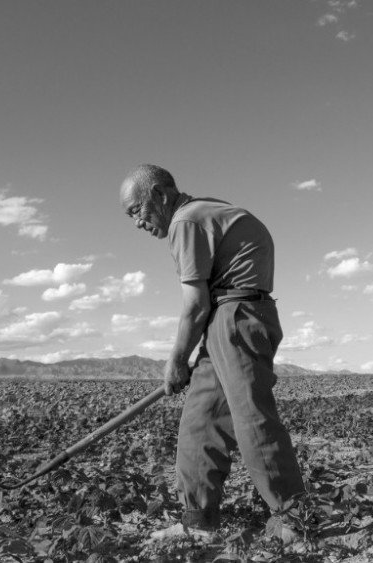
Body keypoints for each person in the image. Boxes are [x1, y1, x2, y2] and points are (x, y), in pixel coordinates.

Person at [118, 164, 306, 541]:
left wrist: (176, 360)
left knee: (252, 419)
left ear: (159, 194)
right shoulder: (203, 211)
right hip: (230, 315)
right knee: (200, 421)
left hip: (236, 317)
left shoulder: (185, 221)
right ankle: (198, 522)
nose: (138, 223)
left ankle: (293, 521)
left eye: (136, 211)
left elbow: (195, 304)